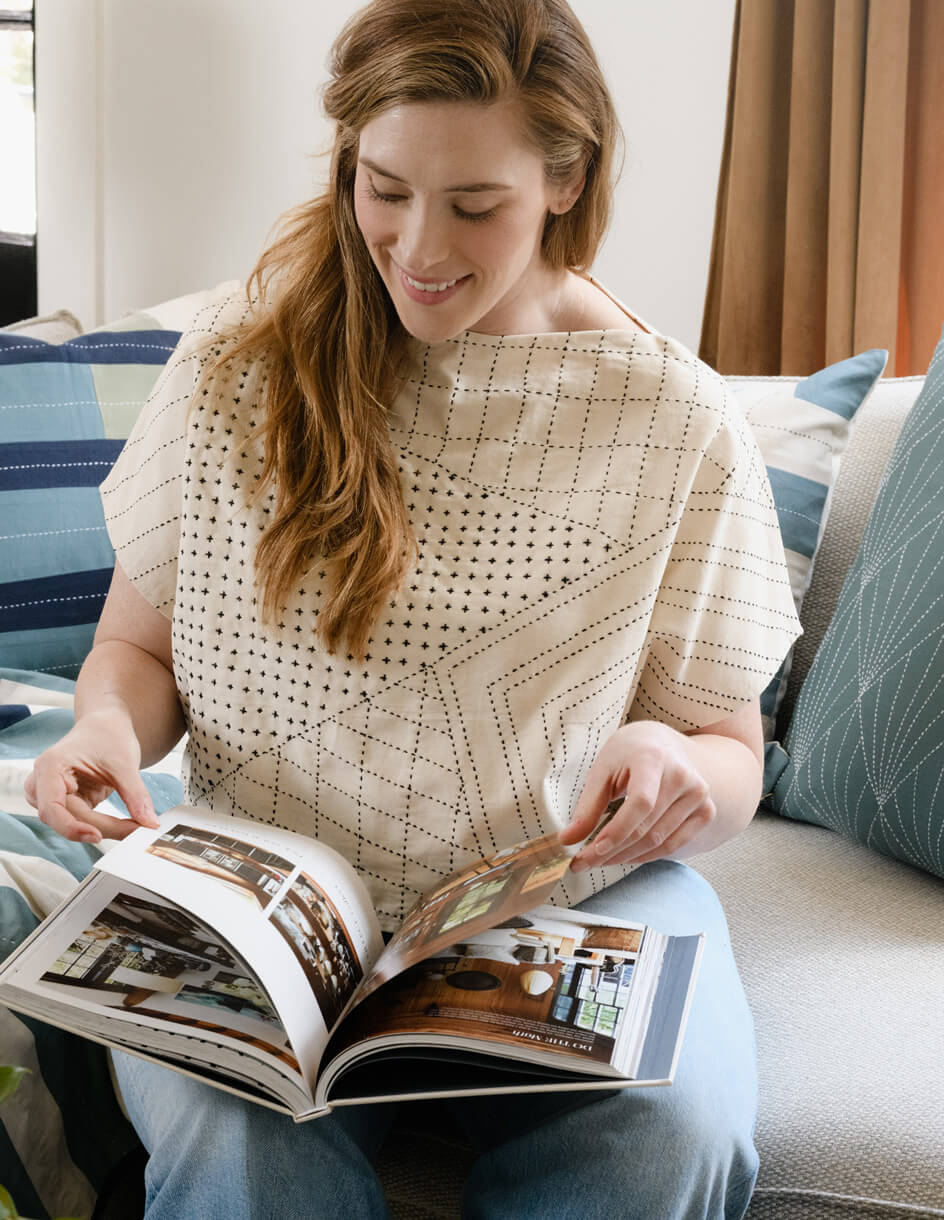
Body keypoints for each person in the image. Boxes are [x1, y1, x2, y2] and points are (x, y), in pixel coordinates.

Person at [26, 1, 800, 1216]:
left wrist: (672, 761)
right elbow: (136, 644)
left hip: (559, 897)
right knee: (242, 1152)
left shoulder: (675, 421)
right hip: (261, 906)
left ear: (564, 179)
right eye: (383, 189)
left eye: (474, 206)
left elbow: (729, 752)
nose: (418, 245)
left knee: (673, 1131)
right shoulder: (242, 352)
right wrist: (105, 733)